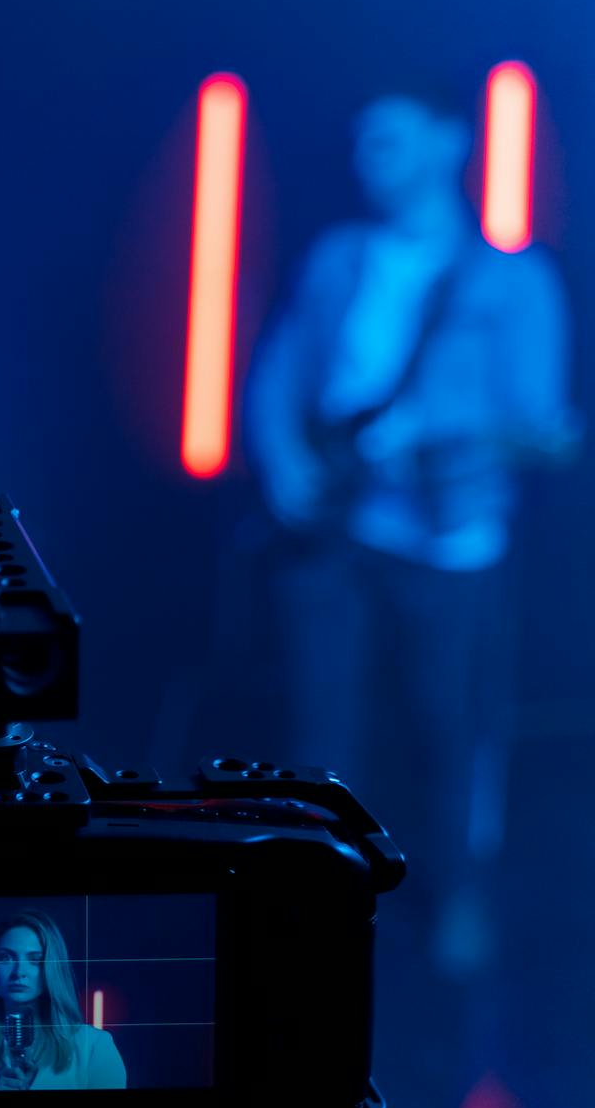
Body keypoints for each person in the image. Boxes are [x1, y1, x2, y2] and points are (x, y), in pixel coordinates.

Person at [244, 83, 578, 976]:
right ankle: (315, 898)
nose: (369, 156)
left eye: (389, 138)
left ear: (448, 143)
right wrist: (282, 459)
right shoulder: (337, 258)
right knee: (321, 719)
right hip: (338, 529)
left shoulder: (510, 279)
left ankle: (460, 895)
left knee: (451, 724)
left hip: (448, 537)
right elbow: (280, 369)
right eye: (364, 140)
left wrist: (445, 434)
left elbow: (542, 423)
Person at [0, 909, 126, 1091]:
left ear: (52, 968)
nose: (19, 972)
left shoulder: (95, 1046)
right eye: (6, 957)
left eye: (35, 960)